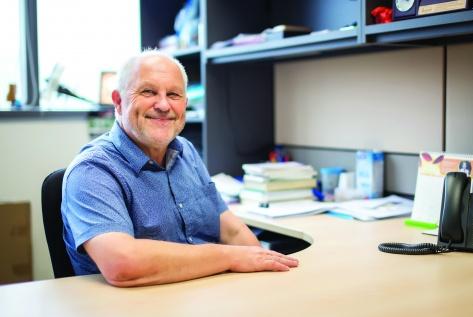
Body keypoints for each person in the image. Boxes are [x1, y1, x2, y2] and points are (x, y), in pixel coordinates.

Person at [61, 50, 298, 287]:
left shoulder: (186, 152)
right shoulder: (92, 171)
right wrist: (232, 257)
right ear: (118, 101)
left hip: (201, 296)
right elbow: (122, 265)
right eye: (148, 92)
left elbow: (231, 230)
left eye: (173, 94)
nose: (163, 105)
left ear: (185, 104)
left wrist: (267, 272)